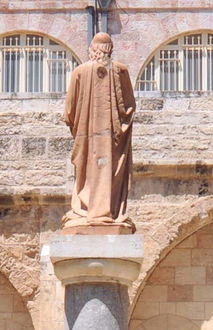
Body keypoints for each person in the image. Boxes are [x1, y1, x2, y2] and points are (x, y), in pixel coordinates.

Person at [62, 32, 136, 233]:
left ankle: (85, 210)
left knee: (86, 171)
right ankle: (109, 212)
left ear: (92, 49)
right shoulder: (121, 71)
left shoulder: (80, 71)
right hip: (114, 139)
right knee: (111, 172)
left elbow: (69, 110)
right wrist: (120, 129)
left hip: (86, 138)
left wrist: (78, 128)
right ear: (110, 49)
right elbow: (129, 107)